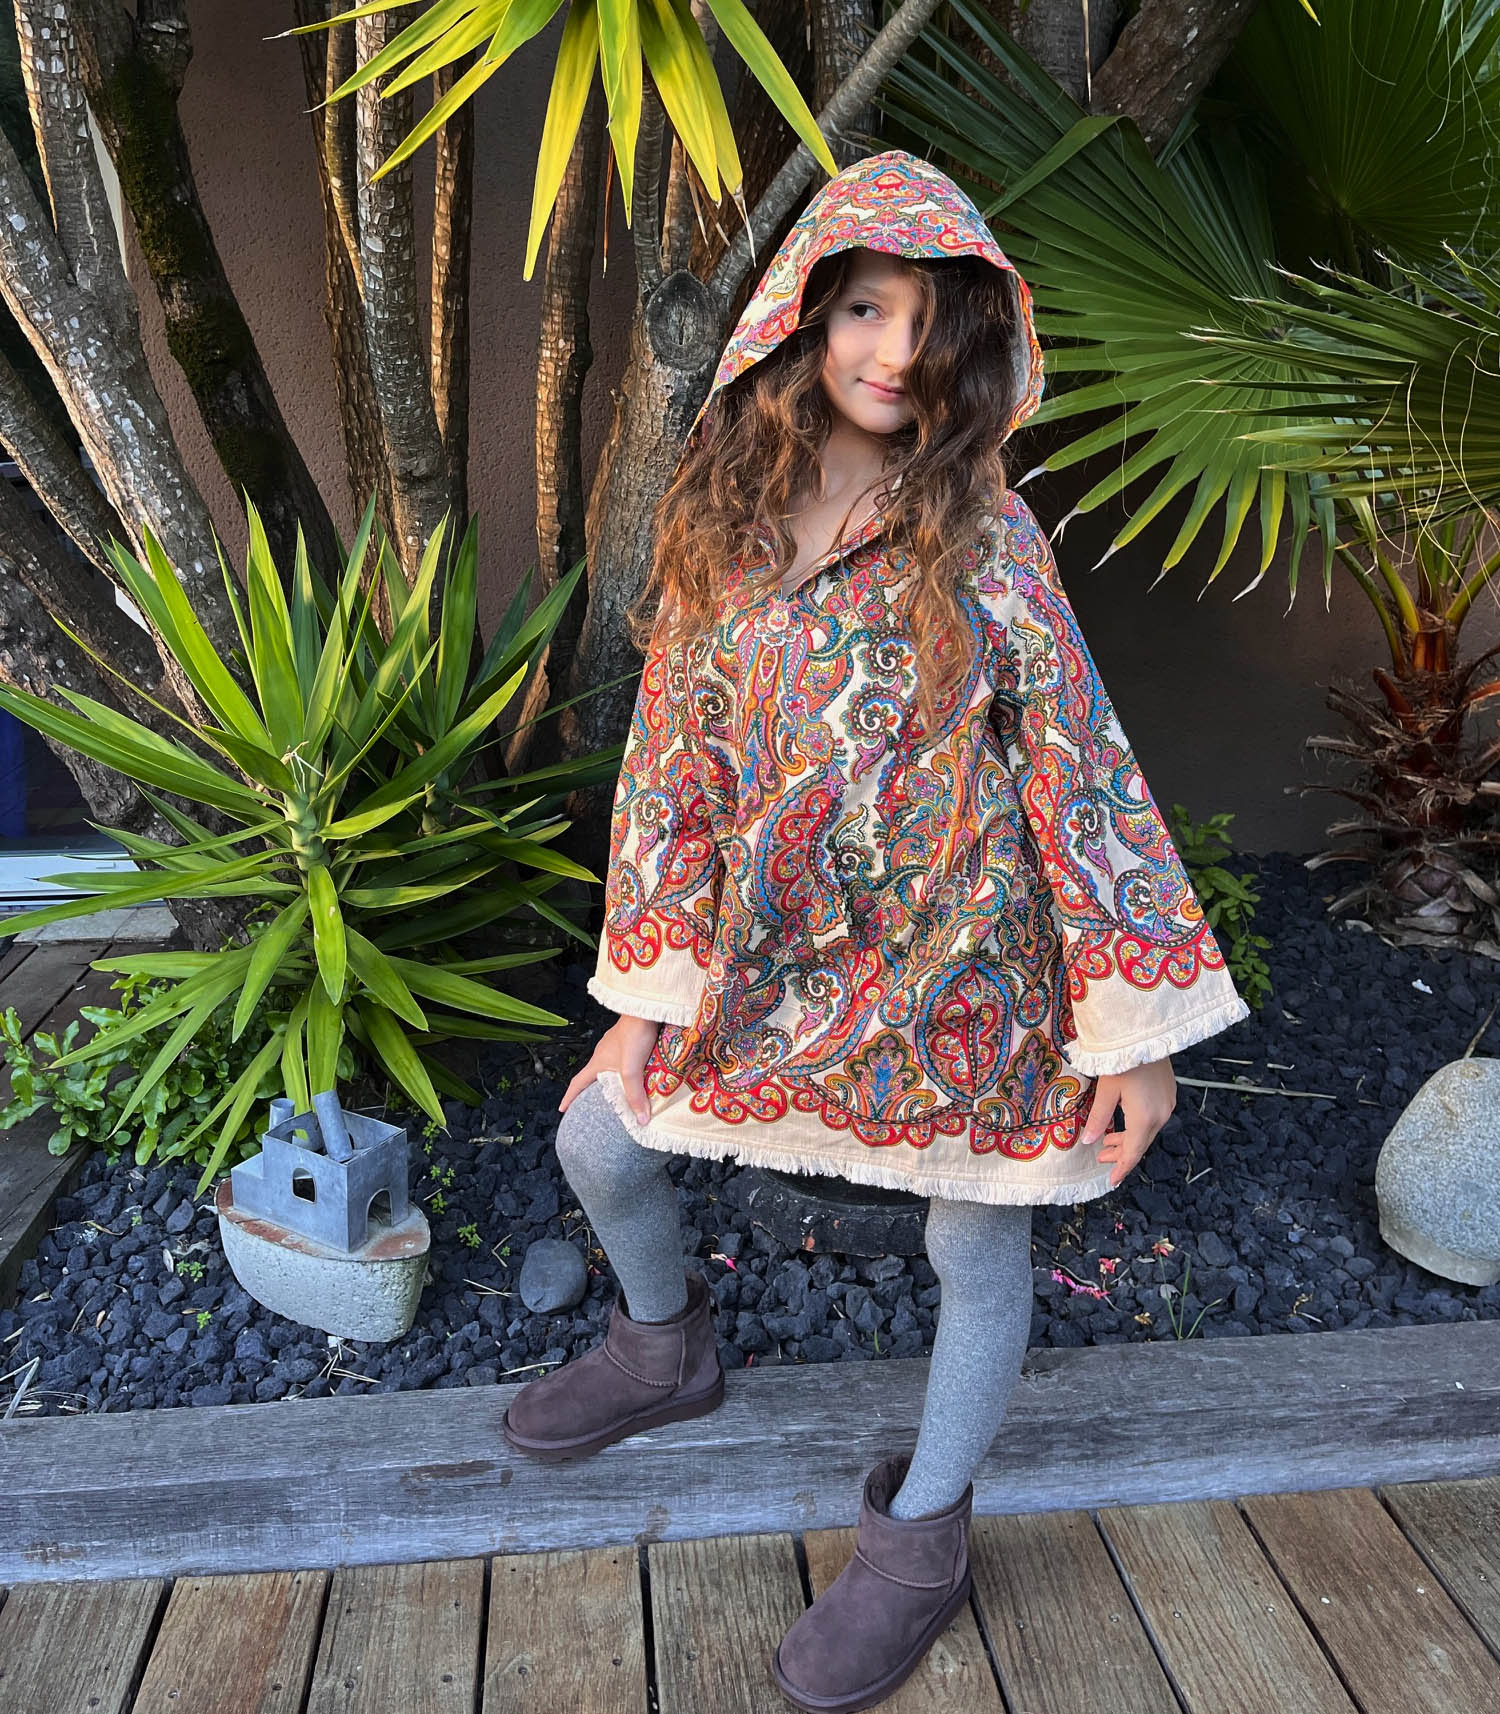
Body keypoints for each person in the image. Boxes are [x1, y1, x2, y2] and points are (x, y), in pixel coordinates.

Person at [502, 149, 1250, 1713]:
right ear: (805, 314)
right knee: (599, 1135)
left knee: (978, 1232)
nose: (894, 351)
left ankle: (923, 1534)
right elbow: (673, 774)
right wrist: (645, 995)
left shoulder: (989, 536)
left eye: (927, 319)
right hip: (772, 952)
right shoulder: (720, 527)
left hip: (970, 967)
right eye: (863, 308)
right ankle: (663, 1345)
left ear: (972, 341)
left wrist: (1137, 1029)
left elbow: (1079, 769)